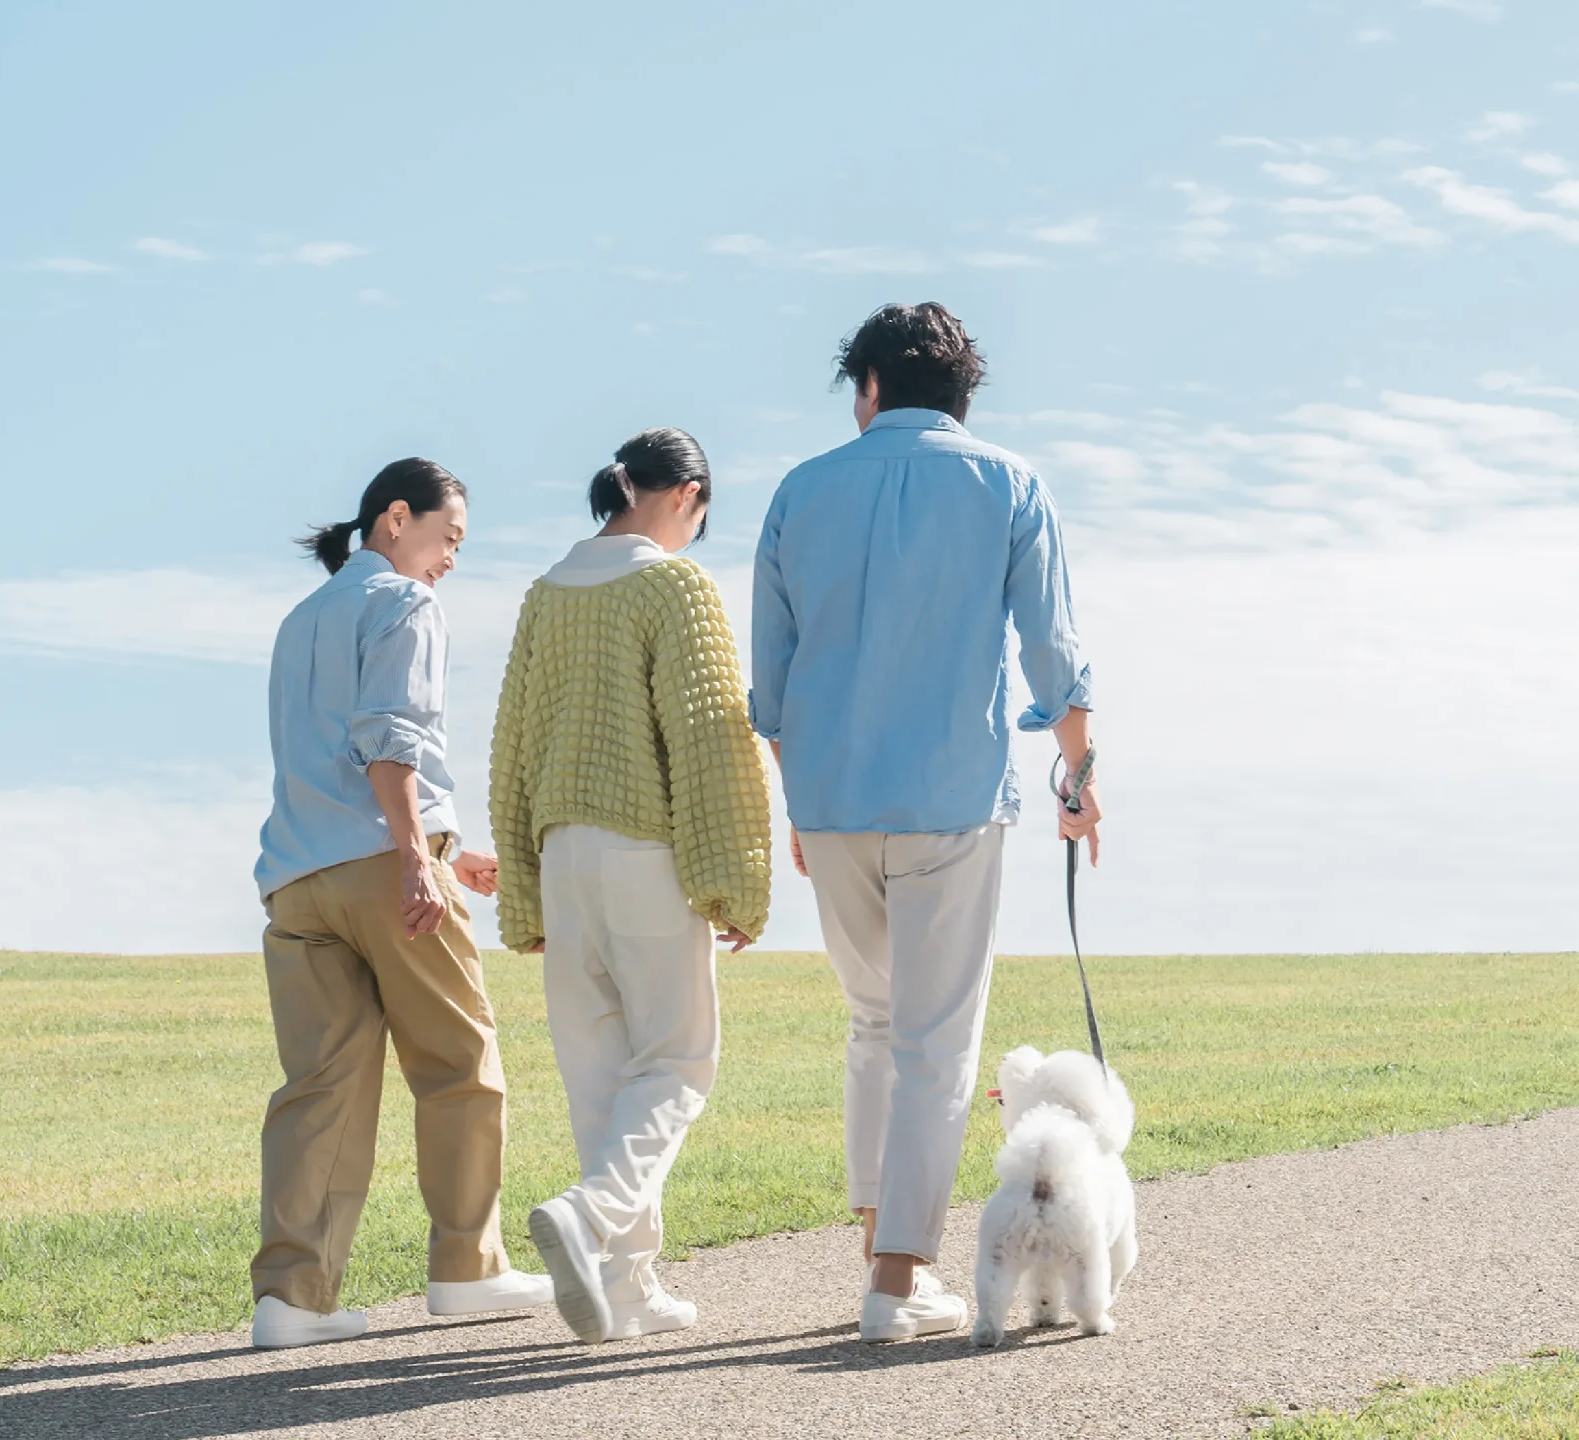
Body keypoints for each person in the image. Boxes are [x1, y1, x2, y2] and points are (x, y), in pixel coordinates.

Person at [750, 302, 1103, 1343]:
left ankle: (882, 1260)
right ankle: (897, 1283)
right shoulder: (1008, 483)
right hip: (951, 796)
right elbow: (1054, 651)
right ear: (964, 394)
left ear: (866, 386)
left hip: (833, 799)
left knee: (871, 1024)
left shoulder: (801, 490)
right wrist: (1078, 774)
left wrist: (800, 796)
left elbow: (770, 675)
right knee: (934, 1045)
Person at [248, 458, 553, 1349]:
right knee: (460, 1064)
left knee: (320, 1090)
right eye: (447, 536)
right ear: (394, 518)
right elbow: (389, 739)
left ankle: (292, 1299)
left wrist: (450, 854)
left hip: (299, 879)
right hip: (388, 868)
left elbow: (333, 761)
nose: (451, 559)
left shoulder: (302, 618)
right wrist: (422, 857)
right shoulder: (405, 605)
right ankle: (470, 1269)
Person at [490, 429, 775, 1344]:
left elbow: (513, 751)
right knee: (679, 1061)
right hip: (645, 852)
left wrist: (524, 891)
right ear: (687, 494)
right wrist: (736, 878)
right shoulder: (674, 583)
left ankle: (626, 1287)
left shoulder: (543, 594)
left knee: (599, 1077)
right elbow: (708, 737)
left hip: (561, 854)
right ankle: (593, 1212)